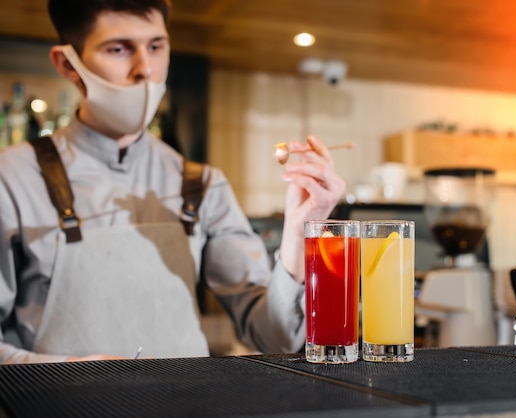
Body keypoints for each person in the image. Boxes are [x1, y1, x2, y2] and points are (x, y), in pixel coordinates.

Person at [0, 0, 345, 364]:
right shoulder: (13, 179)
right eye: (118, 49)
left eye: (156, 46)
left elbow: (276, 336)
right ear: (68, 64)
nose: (145, 69)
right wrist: (68, 373)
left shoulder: (201, 185)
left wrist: (298, 234)